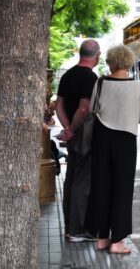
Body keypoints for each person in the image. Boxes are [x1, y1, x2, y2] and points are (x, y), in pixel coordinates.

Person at [87, 44, 140, 254]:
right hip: (125, 140)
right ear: (129, 62)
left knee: (102, 187)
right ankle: (118, 242)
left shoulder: (101, 82)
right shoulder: (136, 86)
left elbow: (92, 108)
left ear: (110, 62)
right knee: (122, 190)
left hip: (101, 138)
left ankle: (102, 238)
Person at [54, 39, 101, 242]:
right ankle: (77, 230)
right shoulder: (91, 78)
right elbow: (84, 108)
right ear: (97, 56)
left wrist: (66, 129)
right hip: (84, 134)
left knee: (71, 179)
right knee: (83, 181)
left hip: (72, 134)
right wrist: (72, 129)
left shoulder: (67, 75)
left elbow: (58, 106)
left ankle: (69, 227)